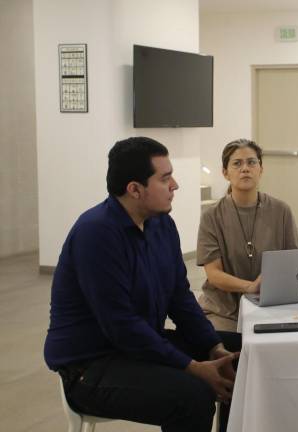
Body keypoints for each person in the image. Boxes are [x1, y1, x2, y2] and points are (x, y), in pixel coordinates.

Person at [43, 137, 239, 432]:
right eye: (165, 178)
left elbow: (179, 298)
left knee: (243, 355)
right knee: (193, 396)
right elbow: (121, 326)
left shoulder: (161, 224)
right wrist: (194, 368)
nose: (175, 185)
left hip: (137, 345)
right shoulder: (96, 234)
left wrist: (213, 348)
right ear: (134, 189)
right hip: (90, 364)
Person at [197, 139, 298, 331]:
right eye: (237, 163)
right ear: (225, 173)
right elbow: (214, 274)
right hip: (224, 310)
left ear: (261, 169)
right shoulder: (211, 216)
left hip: (271, 304)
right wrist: (250, 287)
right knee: (224, 345)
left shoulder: (281, 211)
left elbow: (293, 261)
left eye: (252, 162)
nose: (245, 168)